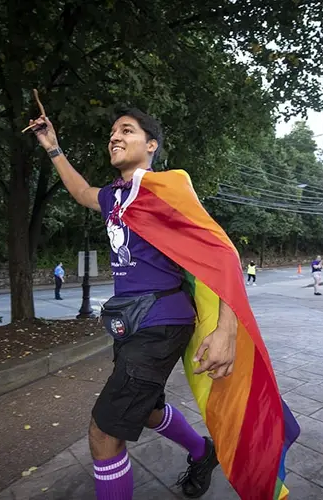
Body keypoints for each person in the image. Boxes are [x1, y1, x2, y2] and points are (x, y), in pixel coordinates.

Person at [29, 109, 231, 498]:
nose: (114, 137)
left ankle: (203, 451)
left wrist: (227, 328)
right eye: (111, 133)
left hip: (161, 321)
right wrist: (53, 148)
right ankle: (203, 451)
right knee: (149, 409)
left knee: (103, 433)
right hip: (129, 323)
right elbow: (80, 191)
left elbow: (221, 253)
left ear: (150, 145)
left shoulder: (167, 188)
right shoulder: (113, 195)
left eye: (127, 130)